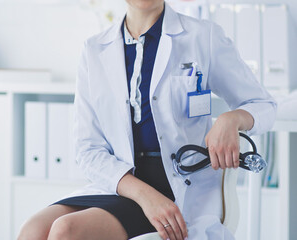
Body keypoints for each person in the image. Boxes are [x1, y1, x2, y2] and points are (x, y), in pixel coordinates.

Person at [18, 0, 276, 239]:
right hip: (122, 184)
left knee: (66, 230)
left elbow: (262, 104)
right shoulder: (95, 49)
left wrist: (231, 119)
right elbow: (88, 149)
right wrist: (144, 195)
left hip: (176, 190)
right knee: (33, 231)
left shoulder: (202, 36)